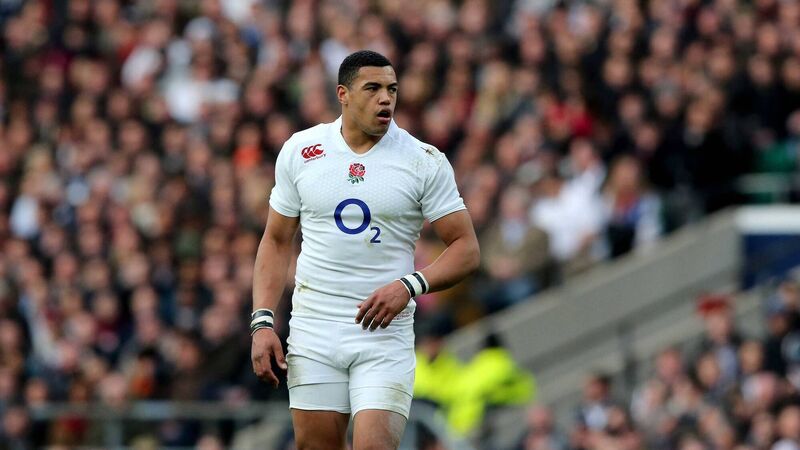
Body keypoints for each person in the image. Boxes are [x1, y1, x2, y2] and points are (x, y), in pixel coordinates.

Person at [250, 50, 480, 449]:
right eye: (373, 88)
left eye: (392, 89)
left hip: (382, 335)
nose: (385, 98)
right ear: (343, 94)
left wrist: (409, 286)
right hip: (315, 329)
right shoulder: (302, 151)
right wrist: (263, 322)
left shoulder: (422, 161)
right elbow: (275, 240)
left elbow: (467, 248)